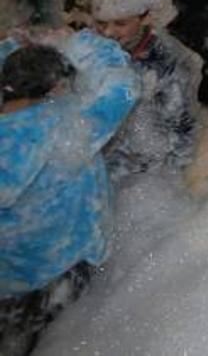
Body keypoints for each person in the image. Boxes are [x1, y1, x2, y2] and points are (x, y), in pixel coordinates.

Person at [1, 32, 137, 354]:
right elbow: (124, 86)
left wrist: (10, 49)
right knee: (57, 340)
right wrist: (85, 43)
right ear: (56, 87)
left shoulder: (9, 132)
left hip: (9, 270)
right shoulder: (69, 124)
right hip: (61, 265)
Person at [90, 0, 200, 179]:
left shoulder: (169, 62)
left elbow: (183, 129)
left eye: (120, 23)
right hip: (101, 167)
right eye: (101, 24)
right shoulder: (95, 49)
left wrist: (169, 177)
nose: (108, 32)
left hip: (145, 174)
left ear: (146, 18)